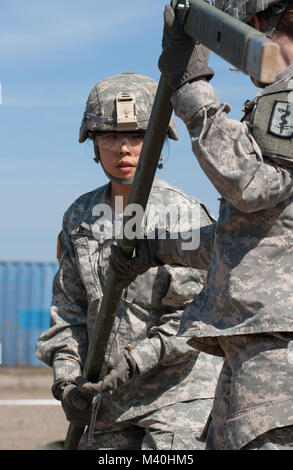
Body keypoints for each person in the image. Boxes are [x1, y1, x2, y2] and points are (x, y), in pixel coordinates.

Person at [109, 2, 293, 450]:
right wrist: (159, 249)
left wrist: (191, 87)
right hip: (258, 348)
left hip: (279, 355)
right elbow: (249, 239)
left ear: (254, 25)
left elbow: (249, 184)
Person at [35, 72, 223, 450]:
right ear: (92, 142)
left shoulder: (183, 215)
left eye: (137, 137)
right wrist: (68, 381)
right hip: (105, 405)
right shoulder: (80, 217)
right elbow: (69, 312)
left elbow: (195, 316)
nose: (124, 149)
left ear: (157, 141)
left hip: (177, 401)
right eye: (109, 136)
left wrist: (137, 361)